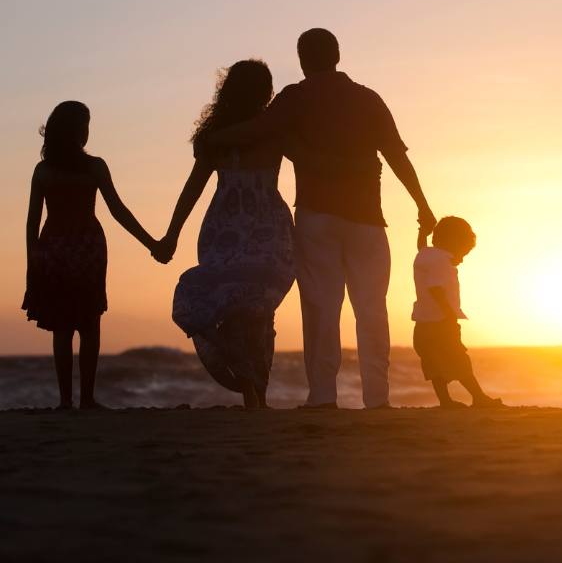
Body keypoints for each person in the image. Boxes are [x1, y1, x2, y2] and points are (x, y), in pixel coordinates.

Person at [204, 28, 436, 409]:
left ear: (301, 59)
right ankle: (377, 399)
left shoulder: (295, 97)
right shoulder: (367, 98)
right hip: (367, 219)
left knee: (321, 308)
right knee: (371, 308)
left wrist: (214, 139)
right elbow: (397, 156)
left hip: (317, 217)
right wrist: (422, 207)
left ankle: (323, 397)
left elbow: (257, 130)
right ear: (338, 55)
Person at [152, 60, 295, 409]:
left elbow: (192, 190)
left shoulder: (221, 136)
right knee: (259, 310)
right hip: (264, 227)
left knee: (241, 308)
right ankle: (255, 390)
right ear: (264, 91)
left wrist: (172, 234)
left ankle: (252, 387)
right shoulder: (271, 129)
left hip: (226, 229)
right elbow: (194, 186)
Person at [23, 100, 157, 409]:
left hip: (54, 248)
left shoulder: (44, 171)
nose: (87, 132)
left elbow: (32, 222)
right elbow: (118, 211)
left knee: (62, 327)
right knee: (89, 323)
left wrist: (32, 261)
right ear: (76, 131)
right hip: (86, 249)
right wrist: (152, 244)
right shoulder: (94, 166)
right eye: (85, 126)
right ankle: (86, 399)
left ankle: (66, 401)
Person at [412, 216, 502, 408]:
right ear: (453, 243)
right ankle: (478, 397)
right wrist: (450, 314)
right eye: (462, 252)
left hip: (422, 326)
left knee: (434, 364)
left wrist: (422, 232)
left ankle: (445, 401)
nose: (460, 260)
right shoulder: (442, 262)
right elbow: (435, 288)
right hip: (441, 323)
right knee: (459, 360)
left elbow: (421, 247)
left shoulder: (426, 254)